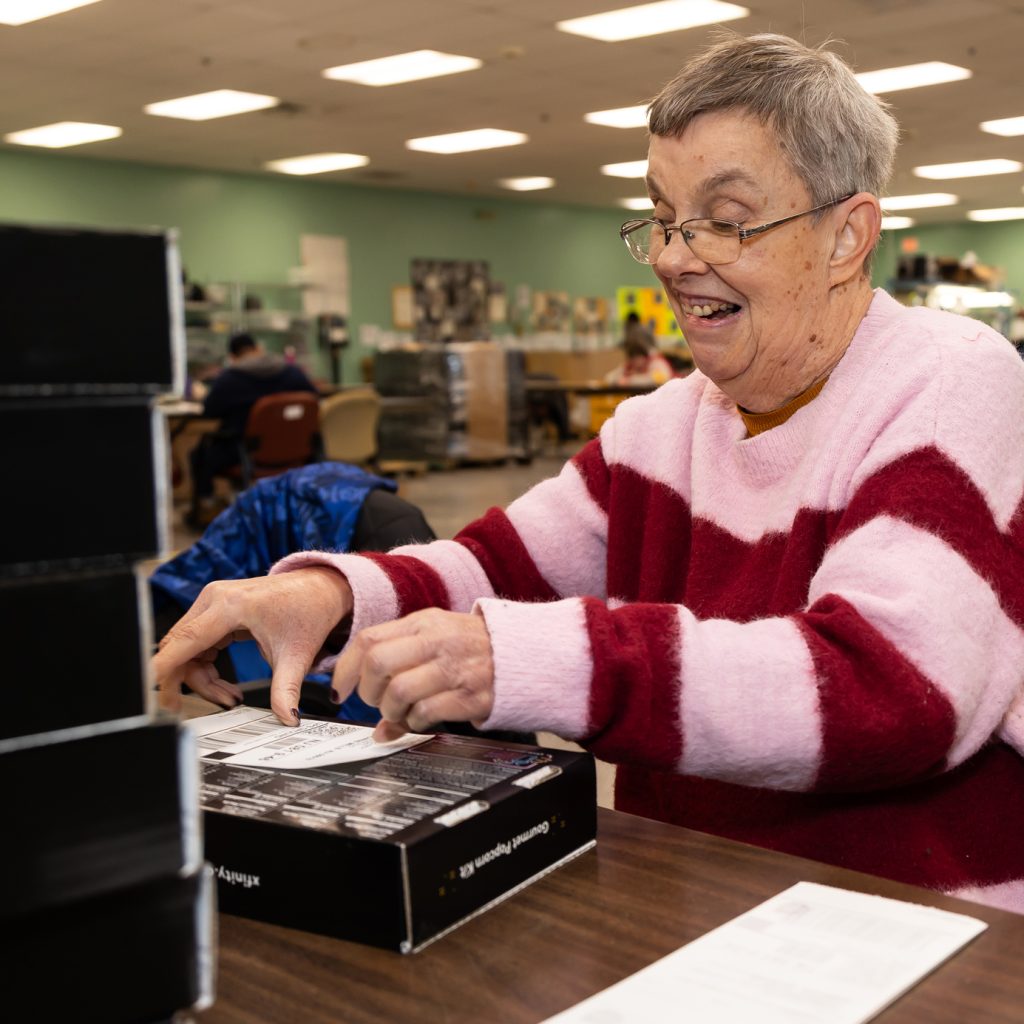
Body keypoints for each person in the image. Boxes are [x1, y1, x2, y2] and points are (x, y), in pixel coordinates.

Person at [155, 33, 1024, 913]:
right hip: (695, 902)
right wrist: (336, 595)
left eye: (726, 219)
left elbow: (891, 689)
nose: (678, 257)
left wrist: (549, 661)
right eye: (664, 216)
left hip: (918, 928)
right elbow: (499, 568)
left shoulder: (949, 380)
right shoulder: (661, 426)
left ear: (847, 235)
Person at [188, 333, 319, 527]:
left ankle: (205, 510)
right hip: (296, 451)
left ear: (232, 356)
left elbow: (209, 411)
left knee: (199, 454)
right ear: (258, 349)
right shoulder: (292, 372)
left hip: (245, 452)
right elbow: (313, 399)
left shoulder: (229, 379)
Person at [605, 313, 675, 385]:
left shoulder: (656, 362)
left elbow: (659, 379)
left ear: (644, 356)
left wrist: (630, 380)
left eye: (637, 358)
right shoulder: (630, 365)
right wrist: (622, 378)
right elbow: (609, 378)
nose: (635, 362)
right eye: (633, 359)